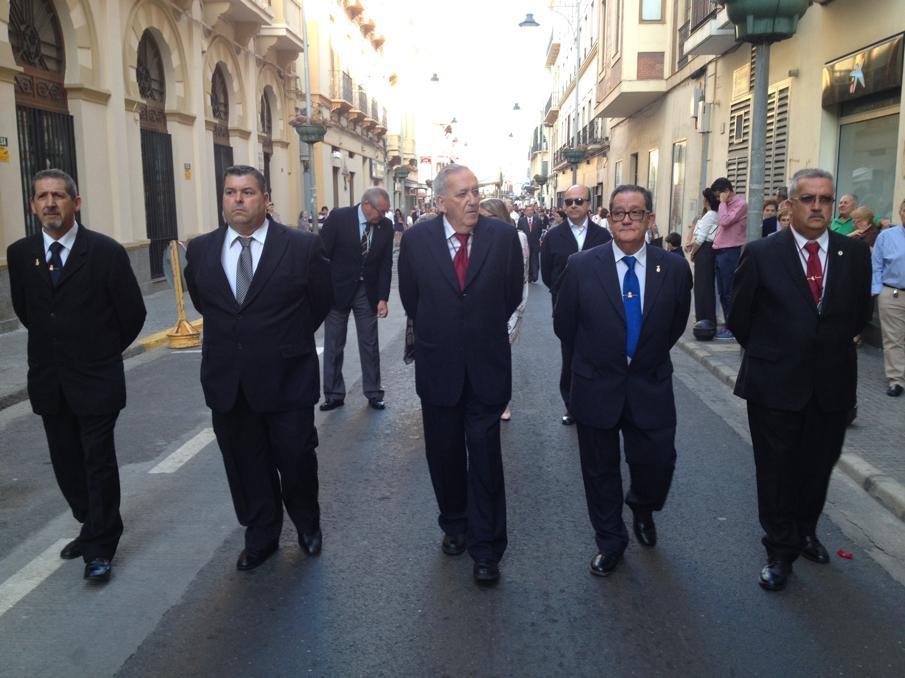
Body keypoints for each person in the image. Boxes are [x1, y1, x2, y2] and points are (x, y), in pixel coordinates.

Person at [727, 168, 872, 592]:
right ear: (790, 205)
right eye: (807, 198)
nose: (817, 206)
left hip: (831, 384)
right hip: (774, 383)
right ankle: (779, 549)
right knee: (776, 470)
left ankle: (806, 531)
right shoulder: (761, 253)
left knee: (817, 468)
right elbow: (740, 317)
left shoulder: (854, 254)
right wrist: (776, 352)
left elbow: (858, 315)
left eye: (825, 199)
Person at [184, 165, 333, 571]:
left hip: (288, 378)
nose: (238, 200)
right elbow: (205, 302)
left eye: (247, 192)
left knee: (297, 459)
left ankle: (307, 524)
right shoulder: (200, 250)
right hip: (229, 382)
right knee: (245, 463)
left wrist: (286, 339)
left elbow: (320, 299)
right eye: (230, 192)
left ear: (265, 199)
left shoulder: (301, 246)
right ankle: (261, 534)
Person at [7, 169, 146, 583]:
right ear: (33, 205)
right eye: (42, 197)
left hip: (96, 378)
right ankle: (89, 523)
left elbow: (133, 314)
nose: (50, 203)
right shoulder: (20, 254)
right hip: (50, 380)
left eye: (59, 196)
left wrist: (100, 352)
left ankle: (101, 545)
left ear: (76, 203)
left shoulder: (104, 252)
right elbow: (27, 310)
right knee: (66, 462)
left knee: (97, 460)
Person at [553, 184, 692, 578]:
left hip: (650, 384)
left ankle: (644, 506)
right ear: (608, 219)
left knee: (657, 462)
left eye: (635, 213)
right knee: (599, 470)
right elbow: (566, 325)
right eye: (618, 213)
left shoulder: (675, 269)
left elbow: (674, 325)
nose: (626, 219)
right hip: (596, 384)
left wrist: (641, 356)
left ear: (650, 219)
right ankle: (610, 541)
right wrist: (599, 357)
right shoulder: (582, 266)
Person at [398, 164, 523, 585]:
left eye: (475, 191)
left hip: (486, 368)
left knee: (485, 457)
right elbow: (412, 300)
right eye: (462, 194)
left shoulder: (503, 239)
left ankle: (486, 549)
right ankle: (454, 522)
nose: (472, 200)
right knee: (444, 453)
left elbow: (510, 295)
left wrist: (476, 329)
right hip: (439, 368)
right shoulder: (416, 242)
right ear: (440, 203)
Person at [541, 184, 612, 425]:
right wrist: (562, 294)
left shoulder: (603, 237)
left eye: (579, 201)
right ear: (563, 206)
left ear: (589, 204)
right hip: (566, 309)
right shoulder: (552, 236)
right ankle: (571, 405)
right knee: (570, 356)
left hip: (599, 307)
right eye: (569, 201)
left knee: (599, 355)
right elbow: (547, 273)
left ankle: (598, 401)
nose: (573, 205)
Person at [319, 187, 394, 411]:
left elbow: (385, 264)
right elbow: (322, 256)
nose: (383, 216)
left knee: (370, 343)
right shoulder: (339, 219)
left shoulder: (386, 226)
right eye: (381, 211)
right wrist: (323, 290)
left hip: (367, 292)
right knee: (333, 343)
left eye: (386, 212)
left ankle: (373, 392)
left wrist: (383, 297)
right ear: (366, 205)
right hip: (336, 291)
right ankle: (333, 394)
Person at [479, 198, 529, 422]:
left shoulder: (517, 237)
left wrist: (517, 308)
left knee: (501, 354)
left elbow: (522, 274)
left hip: (509, 306)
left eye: (489, 217)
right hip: (483, 308)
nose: (483, 222)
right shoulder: (475, 236)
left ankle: (502, 401)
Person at [871, 198, 905, 397]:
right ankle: (896, 380)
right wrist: (877, 290)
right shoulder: (886, 236)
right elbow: (876, 264)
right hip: (892, 293)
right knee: (893, 339)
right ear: (900, 212)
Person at [710, 177, 748, 340]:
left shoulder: (740, 204)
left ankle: (733, 327)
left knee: (729, 291)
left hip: (730, 251)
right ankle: (727, 324)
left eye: (719, 196)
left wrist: (723, 203)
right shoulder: (726, 205)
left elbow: (725, 221)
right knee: (722, 291)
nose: (718, 199)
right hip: (720, 252)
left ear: (727, 191)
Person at [687, 188, 720, 327]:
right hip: (707, 250)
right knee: (704, 286)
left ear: (706, 200)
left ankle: (704, 318)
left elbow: (701, 238)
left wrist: (693, 252)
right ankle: (705, 317)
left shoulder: (710, 215)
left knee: (703, 286)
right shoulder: (713, 214)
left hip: (705, 251)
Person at [518, 205, 544, 283]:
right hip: (525, 245)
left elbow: (540, 231)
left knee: (534, 260)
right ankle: (528, 276)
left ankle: (534, 276)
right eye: (528, 210)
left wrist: (535, 239)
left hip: (534, 243)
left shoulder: (538, 220)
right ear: (525, 212)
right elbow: (520, 231)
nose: (530, 212)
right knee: (527, 261)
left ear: (533, 211)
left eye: (531, 210)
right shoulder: (521, 220)